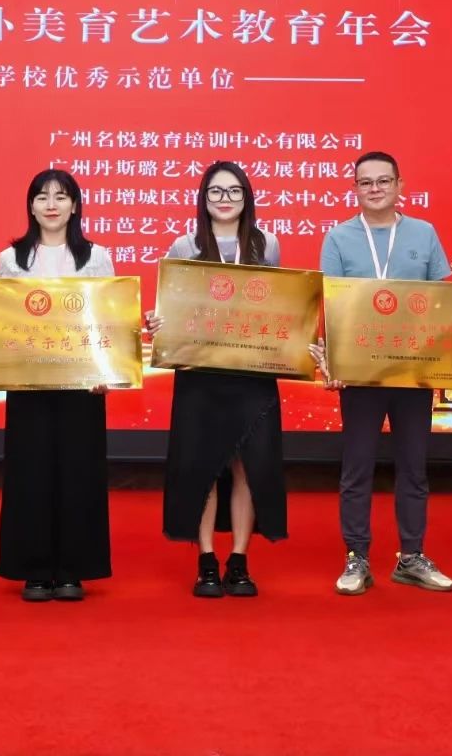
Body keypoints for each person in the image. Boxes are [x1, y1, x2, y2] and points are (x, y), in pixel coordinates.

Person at [315, 150, 452, 596]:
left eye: (383, 181)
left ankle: (411, 557)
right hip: (360, 375)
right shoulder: (338, 237)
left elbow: (442, 303)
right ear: (354, 189)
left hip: (414, 372)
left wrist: (448, 365)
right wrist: (334, 363)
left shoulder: (423, 233)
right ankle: (356, 557)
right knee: (356, 468)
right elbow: (332, 305)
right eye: (365, 182)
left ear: (399, 186)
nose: (374, 189)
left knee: (414, 467)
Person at [147, 161, 286, 598]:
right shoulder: (185, 245)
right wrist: (158, 322)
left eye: (233, 191)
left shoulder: (266, 244)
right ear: (203, 199)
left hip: (252, 373)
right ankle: (206, 560)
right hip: (200, 374)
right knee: (203, 465)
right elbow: (172, 306)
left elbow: (277, 306)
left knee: (248, 466)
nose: (225, 200)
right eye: (216, 192)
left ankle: (239, 561)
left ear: (246, 197)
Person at [0, 170, 114, 603]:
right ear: (31, 207)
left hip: (82, 386)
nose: (51, 205)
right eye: (41, 197)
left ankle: (73, 569)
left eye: (61, 196)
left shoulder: (96, 257)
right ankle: (34, 570)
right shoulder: (11, 259)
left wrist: (107, 372)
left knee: (79, 473)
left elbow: (109, 321)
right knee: (29, 473)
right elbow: (0, 321)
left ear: (75, 205)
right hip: (27, 383)